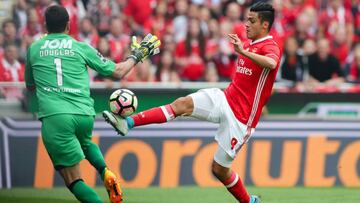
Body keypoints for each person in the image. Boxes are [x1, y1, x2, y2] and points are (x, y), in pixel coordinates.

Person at [104, 2, 280, 203]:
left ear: (265, 25)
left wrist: (243, 52)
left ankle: (248, 201)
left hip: (241, 119)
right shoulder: (248, 43)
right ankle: (128, 123)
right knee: (182, 104)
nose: (246, 24)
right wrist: (244, 50)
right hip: (225, 98)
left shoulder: (270, 46)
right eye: (247, 19)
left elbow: (272, 63)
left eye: (252, 20)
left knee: (219, 170)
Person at [24, 5, 160, 203]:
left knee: (73, 179)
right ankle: (105, 171)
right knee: (86, 143)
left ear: (45, 25)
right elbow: (118, 72)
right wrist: (137, 55)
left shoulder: (34, 49)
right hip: (84, 114)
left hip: (56, 117)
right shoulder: (81, 47)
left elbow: (30, 87)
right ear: (69, 25)